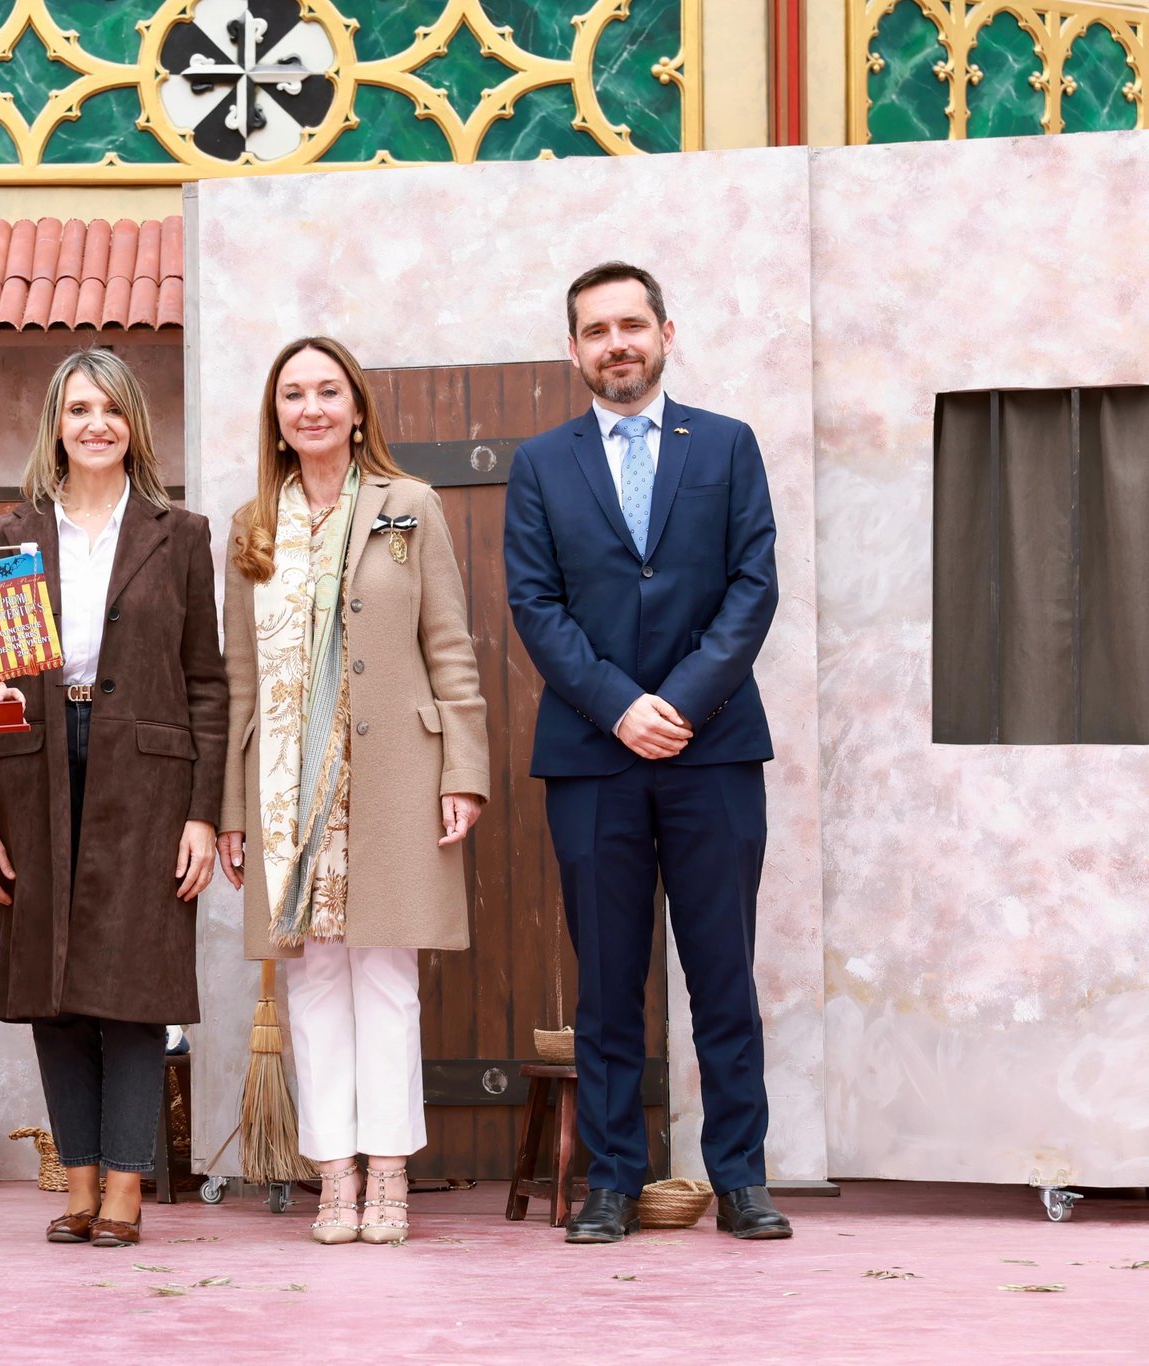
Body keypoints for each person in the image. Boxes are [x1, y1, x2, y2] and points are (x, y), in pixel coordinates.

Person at [503, 261, 789, 1244]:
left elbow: (752, 584)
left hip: (711, 752)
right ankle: (612, 1180)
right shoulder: (540, 463)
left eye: (631, 324)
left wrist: (678, 701)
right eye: (595, 329)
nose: (615, 343)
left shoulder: (725, 445)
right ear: (572, 348)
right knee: (608, 981)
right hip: (592, 757)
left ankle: (740, 1176)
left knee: (721, 972)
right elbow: (533, 606)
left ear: (666, 331)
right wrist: (621, 707)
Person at [216, 337, 489, 1246]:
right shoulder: (253, 525)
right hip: (287, 784)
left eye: (328, 391)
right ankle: (333, 1174)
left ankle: (390, 1176)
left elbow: (449, 646)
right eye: (292, 394)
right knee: (314, 981)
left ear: (357, 408)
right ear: (278, 418)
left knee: (386, 974)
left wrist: (464, 770)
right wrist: (229, 810)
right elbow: (240, 682)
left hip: (394, 773)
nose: (312, 407)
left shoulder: (408, 506)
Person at [0, 350, 226, 1250]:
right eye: (79, 409)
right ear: (57, 423)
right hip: (30, 766)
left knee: (132, 981)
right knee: (52, 982)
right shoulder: (10, 534)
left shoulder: (177, 534)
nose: (96, 424)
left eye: (112, 408)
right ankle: (75, 1184)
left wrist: (203, 811)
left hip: (147, 773)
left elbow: (207, 684)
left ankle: (125, 1187)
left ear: (134, 425)